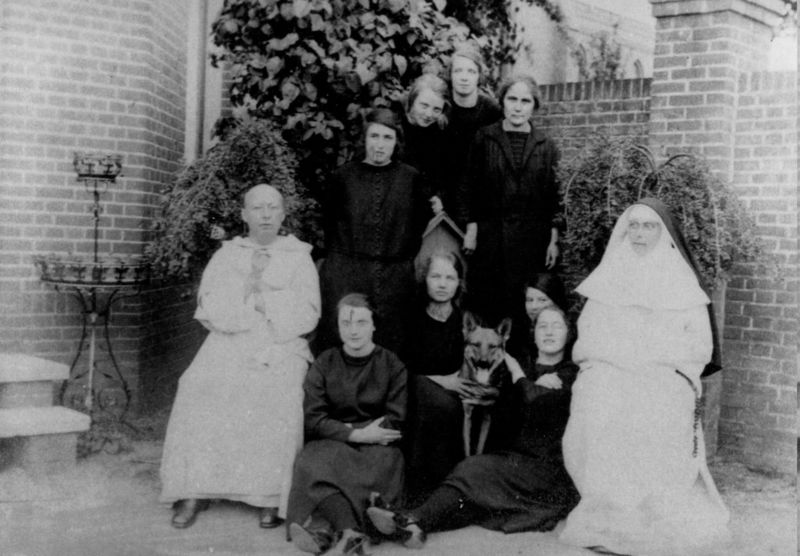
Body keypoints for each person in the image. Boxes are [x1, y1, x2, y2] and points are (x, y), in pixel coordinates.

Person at [559, 198, 729, 555]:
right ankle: (605, 516)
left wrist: (654, 361)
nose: (639, 233)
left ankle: (649, 518)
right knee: (597, 396)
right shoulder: (609, 277)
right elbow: (589, 337)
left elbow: (698, 346)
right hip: (611, 369)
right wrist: (613, 361)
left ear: (663, 232)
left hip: (664, 373)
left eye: (648, 226)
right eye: (633, 225)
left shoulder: (682, 282)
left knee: (653, 404)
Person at [159, 184, 320, 530]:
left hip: (279, 342)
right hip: (229, 337)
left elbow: (309, 312)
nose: (265, 215)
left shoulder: (298, 256)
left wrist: (265, 301)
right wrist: (247, 297)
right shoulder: (227, 255)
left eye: (272, 208)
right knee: (197, 385)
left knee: (278, 390)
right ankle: (194, 489)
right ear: (244, 214)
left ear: (283, 214)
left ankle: (268, 495)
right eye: (257, 208)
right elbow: (209, 303)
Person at [367, 305, 579, 547]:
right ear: (534, 333)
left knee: (472, 471)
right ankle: (409, 525)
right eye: (543, 326)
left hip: (544, 469)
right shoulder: (519, 364)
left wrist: (518, 375)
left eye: (556, 326)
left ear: (568, 334)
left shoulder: (569, 372)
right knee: (473, 500)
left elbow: (534, 400)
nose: (549, 332)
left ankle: (408, 518)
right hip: (512, 459)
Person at [287, 293, 407, 556]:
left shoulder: (392, 364)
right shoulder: (324, 363)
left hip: (377, 444)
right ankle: (351, 530)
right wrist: (356, 434)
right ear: (338, 326)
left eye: (361, 323)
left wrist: (363, 434)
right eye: (346, 323)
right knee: (309, 461)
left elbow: (395, 417)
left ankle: (325, 529)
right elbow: (314, 418)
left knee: (384, 462)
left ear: (374, 325)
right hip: (336, 440)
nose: (353, 331)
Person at [315, 108, 433, 356]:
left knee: (392, 345)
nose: (380, 145)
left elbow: (418, 225)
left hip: (395, 278)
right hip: (348, 275)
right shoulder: (343, 177)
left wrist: (398, 260)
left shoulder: (411, 178)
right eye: (374, 136)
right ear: (365, 139)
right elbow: (329, 225)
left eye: (387, 138)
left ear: (396, 142)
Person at [458, 73, 561, 325]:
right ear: (502, 101)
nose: (518, 107)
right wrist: (471, 228)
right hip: (490, 240)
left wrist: (553, 239)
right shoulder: (484, 138)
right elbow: (468, 186)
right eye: (512, 99)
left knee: (522, 307)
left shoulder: (547, 146)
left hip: (531, 242)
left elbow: (555, 196)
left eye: (525, 101)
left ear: (534, 106)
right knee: (488, 304)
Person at [403, 250, 472, 505]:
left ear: (459, 283)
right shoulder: (410, 318)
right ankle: (417, 493)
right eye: (436, 277)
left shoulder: (464, 322)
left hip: (454, 399)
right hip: (414, 395)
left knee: (445, 407)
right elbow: (401, 368)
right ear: (425, 279)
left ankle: (444, 494)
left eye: (449, 278)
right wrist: (440, 381)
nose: (442, 284)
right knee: (428, 398)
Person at [442, 42, 502, 223]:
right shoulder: (441, 105)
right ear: (450, 75)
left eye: (471, 71)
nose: (464, 78)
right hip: (442, 191)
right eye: (458, 71)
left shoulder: (491, 110)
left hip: (479, 194)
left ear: (479, 76)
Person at [401, 73, 449, 215]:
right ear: (412, 101)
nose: (429, 114)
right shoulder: (396, 128)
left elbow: (444, 173)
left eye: (436, 109)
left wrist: (439, 196)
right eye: (424, 105)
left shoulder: (438, 131)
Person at [508, 271, 569, 365]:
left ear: (556, 301)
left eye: (542, 300)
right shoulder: (516, 336)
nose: (534, 307)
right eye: (529, 300)